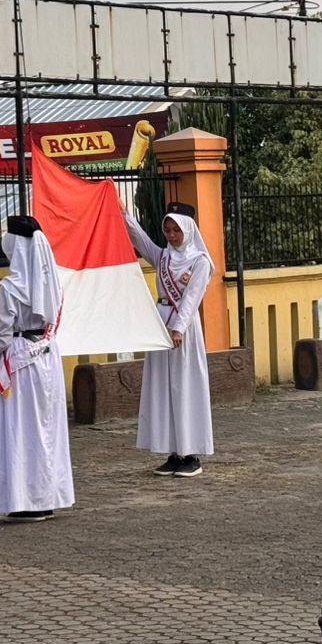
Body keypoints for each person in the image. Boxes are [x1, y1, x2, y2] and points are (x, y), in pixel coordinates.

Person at [0, 215, 75, 520]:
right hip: (47, 354)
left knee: (21, 430)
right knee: (47, 428)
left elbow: (3, 334)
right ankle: (46, 497)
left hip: (20, 357)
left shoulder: (9, 287)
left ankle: (25, 500)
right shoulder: (51, 282)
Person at [123, 202, 214, 477]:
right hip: (160, 324)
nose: (171, 235)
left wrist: (178, 329)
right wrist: (123, 212)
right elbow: (140, 239)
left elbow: (192, 299)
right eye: (168, 230)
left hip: (183, 328)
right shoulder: (162, 257)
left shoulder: (200, 262)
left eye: (176, 230)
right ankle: (173, 452)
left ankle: (191, 454)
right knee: (162, 387)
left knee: (184, 387)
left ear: (188, 230)